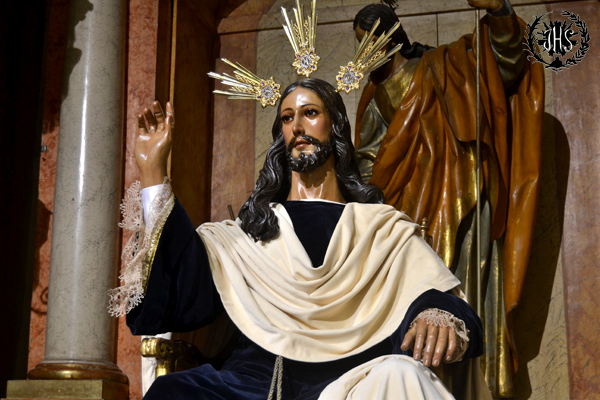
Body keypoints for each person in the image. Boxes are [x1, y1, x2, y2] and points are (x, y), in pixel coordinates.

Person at [110, 79, 486, 399]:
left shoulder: (380, 230)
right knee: (175, 392)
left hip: (354, 381)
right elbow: (178, 290)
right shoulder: (247, 235)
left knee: (403, 376)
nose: (298, 126)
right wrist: (153, 170)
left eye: (310, 113)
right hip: (256, 384)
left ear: (335, 126)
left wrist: (434, 315)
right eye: (288, 118)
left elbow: (432, 292)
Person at [352, 0, 544, 396]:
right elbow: (368, 160)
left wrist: (500, 12)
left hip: (462, 196)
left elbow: (507, 63)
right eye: (361, 42)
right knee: (409, 308)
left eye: (372, 38)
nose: (368, 49)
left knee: (465, 290)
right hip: (404, 214)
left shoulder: (445, 64)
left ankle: (476, 386)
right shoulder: (373, 95)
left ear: (392, 36)